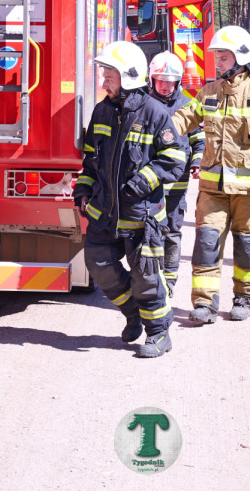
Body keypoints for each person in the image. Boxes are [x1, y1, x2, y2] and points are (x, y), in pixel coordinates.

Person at [171, 26, 250, 323]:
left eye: (224, 57)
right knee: (206, 243)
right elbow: (184, 117)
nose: (218, 62)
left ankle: (244, 296)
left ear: (240, 58)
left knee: (246, 245)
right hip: (213, 189)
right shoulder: (210, 91)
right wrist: (155, 131)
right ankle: (204, 303)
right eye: (218, 57)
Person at [73, 41, 186, 358]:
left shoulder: (156, 114)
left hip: (141, 215)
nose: (103, 79)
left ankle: (159, 333)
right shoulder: (102, 111)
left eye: (109, 73)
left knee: (146, 278)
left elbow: (174, 159)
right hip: (104, 214)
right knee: (97, 263)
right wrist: (83, 188)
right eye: (104, 73)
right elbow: (92, 159)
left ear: (128, 76)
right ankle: (133, 314)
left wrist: (141, 182)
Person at [147, 51, 205, 297]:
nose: (164, 86)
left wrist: (197, 161)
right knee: (149, 232)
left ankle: (169, 282)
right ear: (151, 80)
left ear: (178, 82)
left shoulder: (187, 105)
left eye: (169, 81)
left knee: (172, 231)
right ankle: (152, 278)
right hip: (149, 183)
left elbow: (198, 138)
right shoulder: (143, 103)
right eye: (160, 80)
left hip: (176, 183)